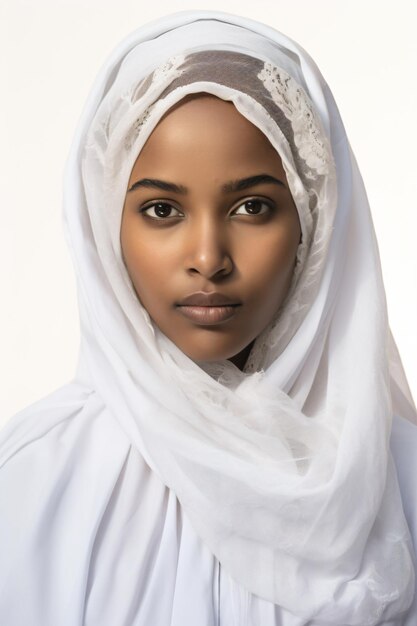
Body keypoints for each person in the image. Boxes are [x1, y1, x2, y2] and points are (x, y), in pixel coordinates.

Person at [0, 9, 416, 625]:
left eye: (252, 206)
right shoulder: (34, 480)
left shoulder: (401, 478)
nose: (207, 259)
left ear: (314, 221)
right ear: (105, 221)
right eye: (162, 210)